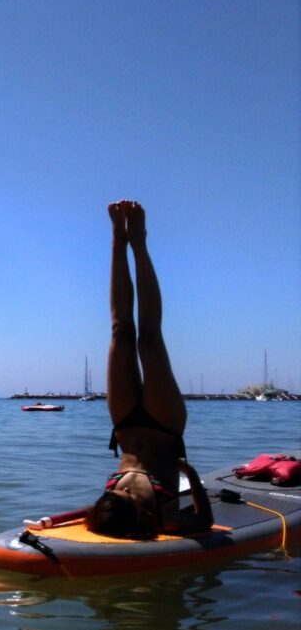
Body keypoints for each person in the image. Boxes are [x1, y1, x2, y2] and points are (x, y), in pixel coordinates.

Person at [85, 201, 212, 538]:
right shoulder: (164, 517)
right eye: (125, 494)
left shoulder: (107, 508)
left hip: (125, 424)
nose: (121, 491)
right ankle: (139, 241)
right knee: (150, 340)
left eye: (117, 492)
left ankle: (118, 240)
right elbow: (204, 521)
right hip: (165, 425)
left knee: (120, 331)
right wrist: (193, 476)